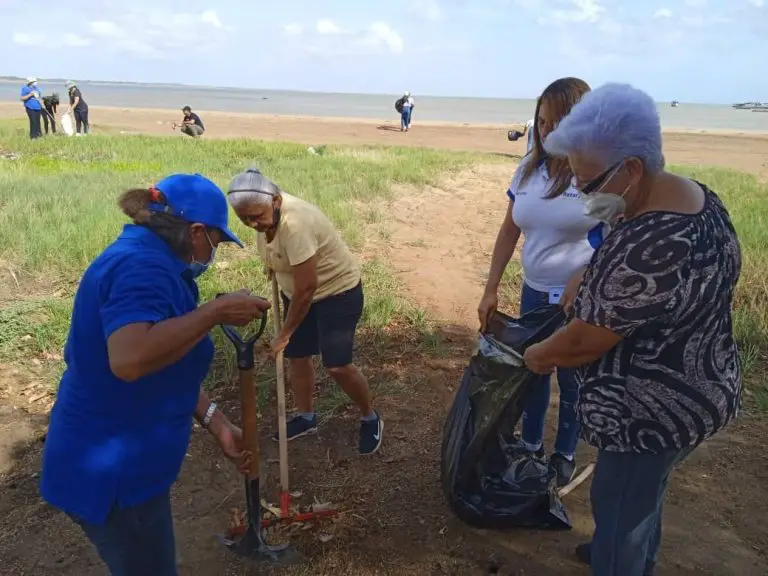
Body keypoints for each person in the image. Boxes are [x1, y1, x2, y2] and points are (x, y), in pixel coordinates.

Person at [523, 83, 742, 576]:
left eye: (588, 181)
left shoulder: (652, 244)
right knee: (643, 498)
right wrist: (588, 272)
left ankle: (620, 558)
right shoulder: (694, 198)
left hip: (649, 414)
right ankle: (632, 552)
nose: (581, 192)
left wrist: (537, 356)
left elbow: (584, 341)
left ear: (632, 168)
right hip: (704, 385)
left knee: (621, 504)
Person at [40, 173, 271, 576]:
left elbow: (165, 361)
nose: (214, 252)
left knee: (149, 560)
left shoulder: (154, 258)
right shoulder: (140, 268)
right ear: (195, 231)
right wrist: (213, 313)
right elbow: (130, 360)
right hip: (113, 473)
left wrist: (215, 419)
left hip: (128, 463)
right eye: (215, 242)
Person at [478, 77, 601, 488]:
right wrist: (491, 286)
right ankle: (530, 447)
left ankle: (564, 453)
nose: (547, 131)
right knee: (532, 371)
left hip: (578, 300)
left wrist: (584, 277)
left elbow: (621, 236)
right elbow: (509, 230)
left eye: (556, 123)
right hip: (534, 290)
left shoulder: (595, 175)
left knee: (571, 379)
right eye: (542, 122)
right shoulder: (528, 169)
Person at [226, 167, 383, 455]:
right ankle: (307, 417)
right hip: (297, 294)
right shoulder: (265, 217)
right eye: (244, 218)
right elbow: (279, 252)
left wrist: (285, 333)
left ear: (274, 200)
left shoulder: (296, 223)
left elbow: (307, 288)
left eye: (256, 216)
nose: (251, 223)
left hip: (337, 293)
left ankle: (370, 416)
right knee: (297, 358)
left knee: (337, 365)